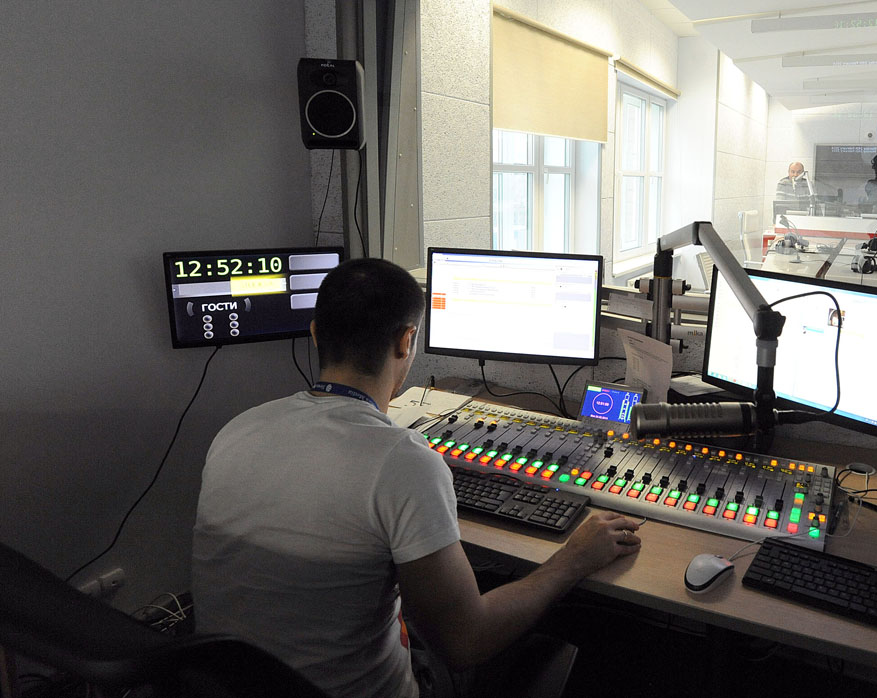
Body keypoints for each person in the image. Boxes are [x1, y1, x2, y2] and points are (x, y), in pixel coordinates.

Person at [192, 257, 641, 698]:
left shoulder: (237, 430)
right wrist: (572, 560)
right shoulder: (403, 463)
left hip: (224, 684)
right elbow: (466, 644)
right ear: (406, 342)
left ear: (314, 334)